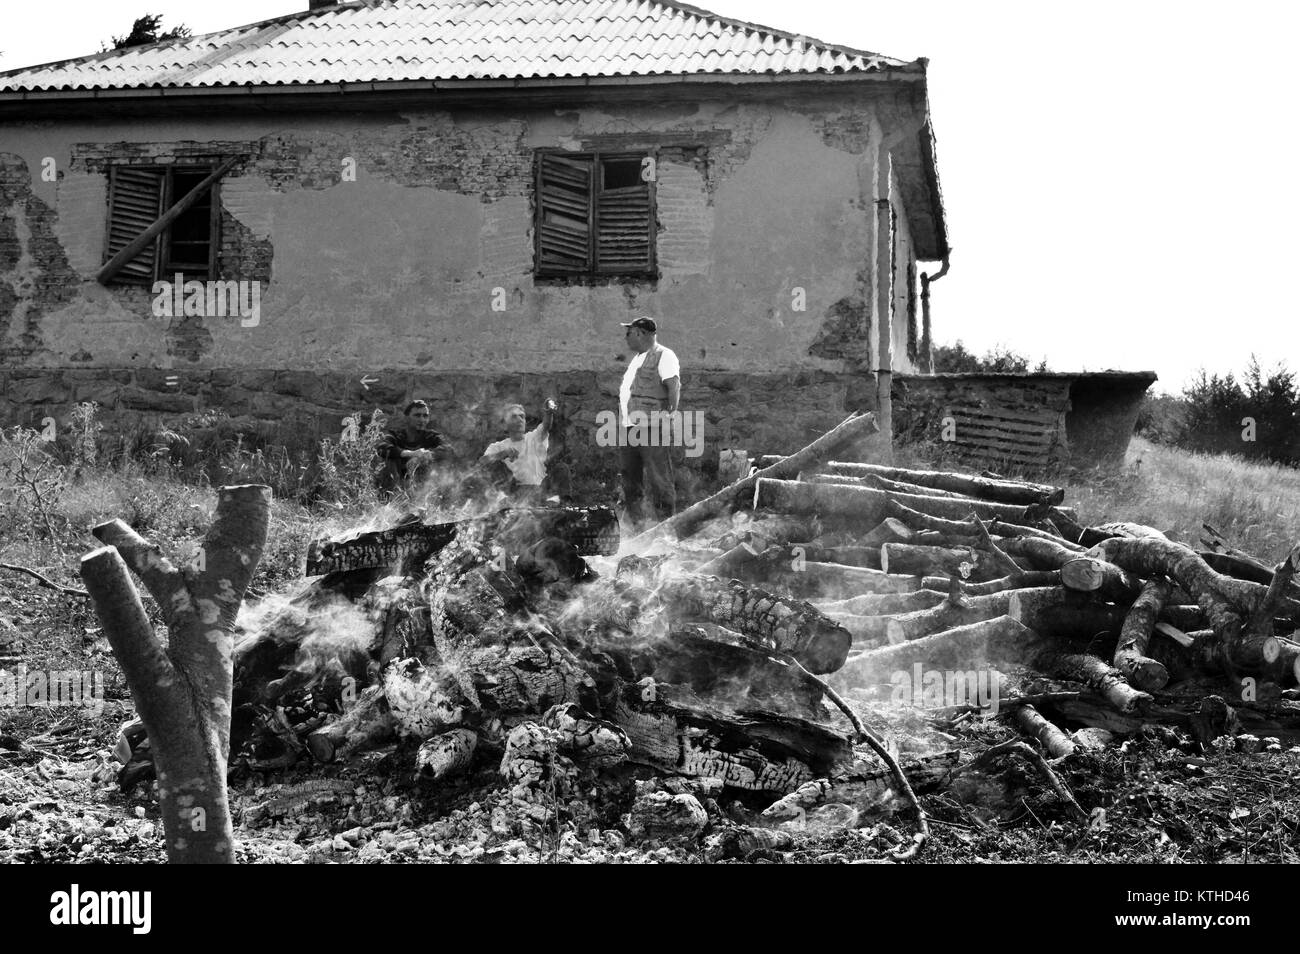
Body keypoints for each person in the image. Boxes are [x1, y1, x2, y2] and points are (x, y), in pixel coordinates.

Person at [618, 316, 679, 524]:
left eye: (628, 333)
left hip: (652, 427)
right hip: (630, 427)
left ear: (640, 333)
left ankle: (666, 525)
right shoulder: (638, 358)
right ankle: (637, 525)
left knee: (658, 477)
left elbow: (673, 386)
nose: (626, 338)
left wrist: (667, 417)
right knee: (630, 477)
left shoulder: (664, 355)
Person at [481, 399, 556, 503]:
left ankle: (558, 502)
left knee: (561, 468)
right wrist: (503, 454)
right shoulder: (497, 447)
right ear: (505, 423)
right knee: (494, 464)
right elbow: (482, 463)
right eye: (514, 417)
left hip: (539, 489)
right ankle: (503, 500)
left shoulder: (534, 437)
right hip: (514, 491)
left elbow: (546, 426)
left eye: (522, 416)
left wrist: (548, 412)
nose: (519, 419)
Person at [374, 400, 454, 494]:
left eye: (425, 416)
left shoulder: (432, 436)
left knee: (443, 461)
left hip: (424, 485)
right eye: (417, 415)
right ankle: (390, 498)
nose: (422, 420)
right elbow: (381, 446)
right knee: (388, 458)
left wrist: (425, 456)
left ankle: (436, 499)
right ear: (406, 418)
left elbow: (448, 449)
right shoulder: (395, 435)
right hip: (398, 484)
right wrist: (410, 454)